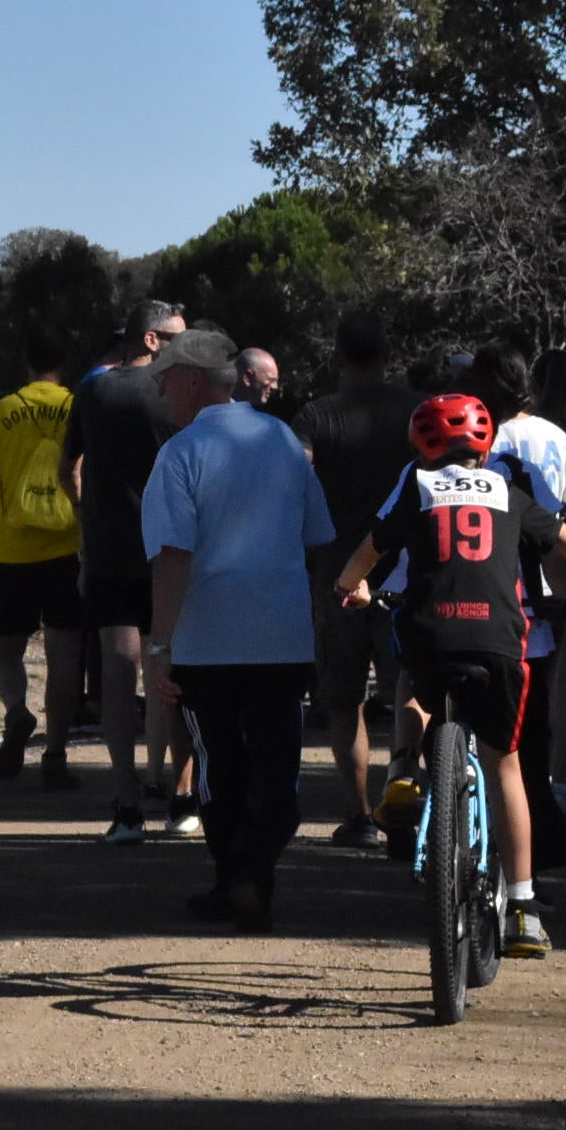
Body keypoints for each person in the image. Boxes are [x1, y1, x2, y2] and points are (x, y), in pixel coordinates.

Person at [334, 394, 566, 956]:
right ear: (484, 446)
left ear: (421, 445)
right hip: (497, 644)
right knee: (505, 764)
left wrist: (352, 589)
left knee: (413, 681)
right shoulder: (507, 493)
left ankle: (404, 770)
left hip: (431, 642)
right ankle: (523, 907)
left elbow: (369, 551)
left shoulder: (418, 488)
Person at [141, 328, 334, 932]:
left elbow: (174, 556)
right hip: (281, 634)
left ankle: (236, 876)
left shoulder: (180, 452)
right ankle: (252, 874)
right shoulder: (280, 439)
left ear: (193, 381)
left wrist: (159, 644)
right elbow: (316, 535)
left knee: (219, 763)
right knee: (277, 759)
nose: (160, 389)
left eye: (166, 376)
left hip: (209, 639)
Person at [293, 309, 425, 849]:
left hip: (338, 571)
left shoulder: (316, 416)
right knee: (412, 689)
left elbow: (296, 484)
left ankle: (359, 814)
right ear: (388, 354)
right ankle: (407, 801)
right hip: (409, 570)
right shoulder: (418, 410)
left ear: (337, 356)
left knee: (344, 699)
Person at [59, 300, 189, 843]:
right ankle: (183, 798)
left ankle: (127, 805)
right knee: (177, 674)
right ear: (153, 341)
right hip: (170, 552)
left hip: (111, 552)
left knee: (119, 676)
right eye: (178, 338)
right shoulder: (176, 396)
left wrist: (91, 517)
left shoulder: (92, 390)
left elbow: (68, 468)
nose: (187, 348)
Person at [475, 346, 566, 812]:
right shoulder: (557, 437)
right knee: (557, 684)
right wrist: (553, 524)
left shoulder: (481, 438)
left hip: (493, 578)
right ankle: (554, 779)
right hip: (552, 581)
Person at [0, 326, 85, 789]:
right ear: (65, 363)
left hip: (12, 554)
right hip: (68, 550)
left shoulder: (0, 413)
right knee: (64, 657)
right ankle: (55, 754)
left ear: (27, 361)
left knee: (4, 649)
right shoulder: (80, 408)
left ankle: (17, 711)